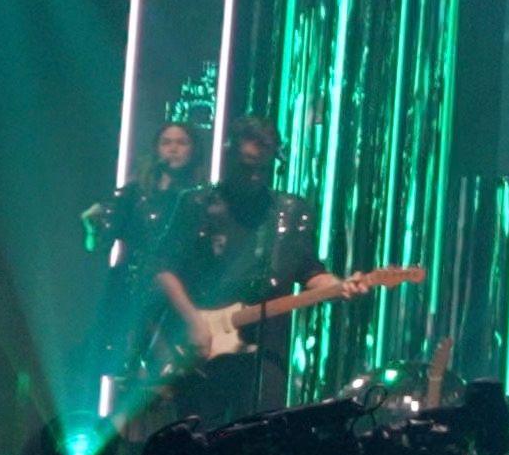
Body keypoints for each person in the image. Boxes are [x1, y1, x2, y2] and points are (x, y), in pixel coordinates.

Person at [154, 115, 345, 410]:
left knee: (258, 437)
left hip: (265, 349)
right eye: (247, 165)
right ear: (229, 156)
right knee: (200, 434)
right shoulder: (196, 204)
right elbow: (163, 269)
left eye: (263, 167)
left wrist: (334, 286)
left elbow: (307, 269)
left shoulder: (291, 212)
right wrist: (193, 322)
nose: (255, 175)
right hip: (204, 347)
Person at [80, 118, 203, 405]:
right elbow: (99, 241)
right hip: (132, 290)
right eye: (167, 142)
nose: (174, 150)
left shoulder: (200, 198)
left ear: (193, 150)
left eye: (182, 143)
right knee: (128, 370)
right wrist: (92, 226)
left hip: (177, 293)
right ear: (156, 149)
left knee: (176, 372)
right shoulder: (135, 193)